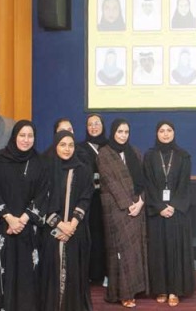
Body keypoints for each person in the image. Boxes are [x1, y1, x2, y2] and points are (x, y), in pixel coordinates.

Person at [0, 120, 44, 311]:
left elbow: (43, 194)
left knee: (27, 273)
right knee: (3, 274)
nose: (26, 140)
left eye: (30, 136)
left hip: (28, 229)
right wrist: (9, 217)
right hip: (3, 228)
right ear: (14, 136)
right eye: (22, 135)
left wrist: (24, 219)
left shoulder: (38, 162)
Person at [36, 131, 95, 311]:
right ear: (55, 146)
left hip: (76, 231)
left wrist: (71, 225)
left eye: (71, 145)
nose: (67, 149)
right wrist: (59, 224)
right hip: (50, 230)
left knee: (74, 272)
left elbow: (85, 198)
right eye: (63, 145)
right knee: (51, 271)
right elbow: (40, 199)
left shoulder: (83, 169)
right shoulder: (44, 169)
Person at [96, 119, 148, 308]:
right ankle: (123, 293)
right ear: (113, 132)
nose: (123, 135)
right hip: (117, 210)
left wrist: (141, 202)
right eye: (120, 132)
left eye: (126, 132)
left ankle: (136, 288)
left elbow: (144, 179)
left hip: (137, 207)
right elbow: (110, 182)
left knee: (135, 251)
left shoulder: (134, 152)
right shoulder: (104, 153)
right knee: (121, 253)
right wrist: (129, 205)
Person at [144, 121, 196, 306]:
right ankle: (161, 289)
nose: (165, 134)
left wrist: (173, 206)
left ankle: (175, 289)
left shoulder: (183, 156)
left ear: (174, 133)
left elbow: (184, 186)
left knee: (175, 250)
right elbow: (148, 185)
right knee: (159, 251)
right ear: (156, 133)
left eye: (169, 130)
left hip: (177, 212)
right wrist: (159, 207)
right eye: (161, 131)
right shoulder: (149, 156)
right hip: (157, 212)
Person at [78, 114, 109, 285]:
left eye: (97, 123)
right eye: (90, 124)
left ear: (103, 126)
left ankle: (107, 273)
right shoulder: (80, 147)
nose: (94, 127)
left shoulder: (110, 146)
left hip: (108, 199)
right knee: (93, 236)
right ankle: (92, 274)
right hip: (89, 200)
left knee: (107, 236)